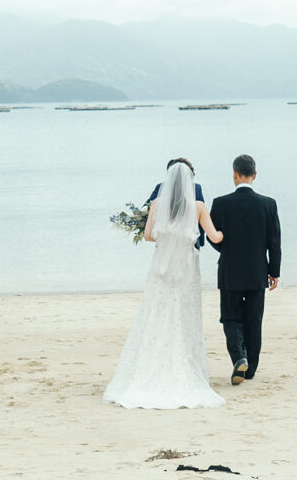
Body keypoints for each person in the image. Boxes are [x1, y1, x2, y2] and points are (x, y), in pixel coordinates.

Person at [103, 161, 226, 409]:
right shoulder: (199, 207)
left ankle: (150, 367)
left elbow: (149, 235)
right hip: (186, 272)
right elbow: (214, 237)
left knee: (156, 318)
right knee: (185, 320)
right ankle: (185, 368)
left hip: (160, 271)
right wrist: (229, 231)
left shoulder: (158, 205)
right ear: (190, 181)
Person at [209, 154, 281, 384]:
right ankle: (250, 370)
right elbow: (275, 242)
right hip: (257, 271)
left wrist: (227, 250)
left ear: (234, 174)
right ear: (255, 175)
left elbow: (212, 236)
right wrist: (274, 271)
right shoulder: (268, 204)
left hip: (230, 271)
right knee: (253, 320)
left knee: (230, 318)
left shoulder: (220, 203)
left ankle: (239, 358)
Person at [149, 158, 206, 249]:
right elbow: (201, 218)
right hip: (190, 241)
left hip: (165, 242)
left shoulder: (161, 187)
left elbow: (147, 210)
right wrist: (201, 240)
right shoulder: (196, 188)